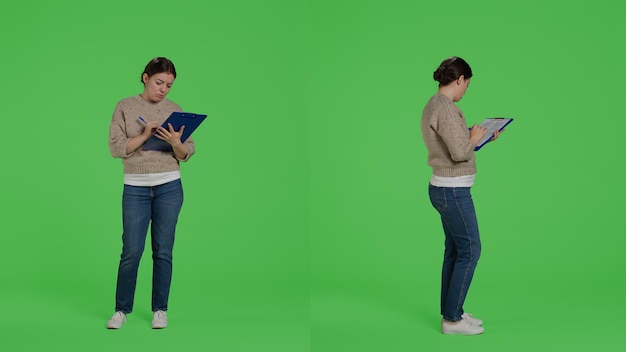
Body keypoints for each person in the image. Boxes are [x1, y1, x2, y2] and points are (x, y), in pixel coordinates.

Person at [106, 57, 195, 329]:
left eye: (169, 85)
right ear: (145, 78)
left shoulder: (175, 109)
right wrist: (145, 135)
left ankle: (160, 309)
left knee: (163, 250)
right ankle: (122, 310)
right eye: (159, 82)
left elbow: (187, 153)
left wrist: (176, 143)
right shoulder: (125, 106)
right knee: (131, 250)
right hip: (136, 188)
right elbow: (116, 148)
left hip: (169, 185)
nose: (163, 90)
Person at [420, 56, 501, 335]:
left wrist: (480, 137)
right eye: (467, 84)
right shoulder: (445, 107)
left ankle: (452, 311)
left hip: (445, 188)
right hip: (452, 191)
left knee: (455, 251)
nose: (466, 89)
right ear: (459, 80)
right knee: (470, 250)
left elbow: (453, 142)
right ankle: (452, 321)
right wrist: (474, 138)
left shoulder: (436, 104)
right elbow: (459, 151)